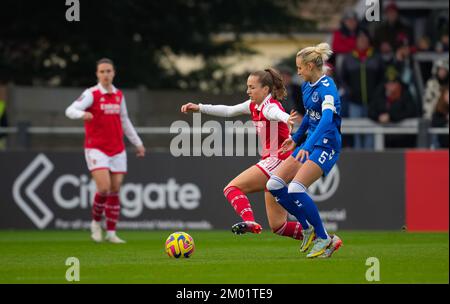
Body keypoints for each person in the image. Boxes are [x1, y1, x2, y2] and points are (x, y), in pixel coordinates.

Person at [181, 68, 309, 241]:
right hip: (278, 162)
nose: (248, 91)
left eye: (252, 87)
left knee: (232, 188)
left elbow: (276, 113)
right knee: (279, 226)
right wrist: (199, 108)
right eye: (247, 87)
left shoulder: (269, 106)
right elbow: (228, 111)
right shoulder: (253, 105)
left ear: (265, 90)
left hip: (278, 161)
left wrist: (287, 119)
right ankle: (323, 237)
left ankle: (249, 221)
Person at [266, 43, 343, 258]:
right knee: (274, 184)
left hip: (327, 146)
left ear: (310, 66)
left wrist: (307, 146)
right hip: (309, 143)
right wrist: (295, 138)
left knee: (296, 189)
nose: (297, 71)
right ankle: (307, 229)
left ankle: (324, 238)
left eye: (300, 67)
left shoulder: (328, 88)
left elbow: (327, 121)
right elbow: (310, 115)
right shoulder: (307, 86)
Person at [65, 58, 146, 243]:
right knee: (103, 188)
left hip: (117, 149)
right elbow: (70, 110)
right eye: (102, 72)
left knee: (115, 189)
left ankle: (111, 232)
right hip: (96, 148)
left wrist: (138, 143)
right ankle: (95, 223)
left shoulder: (118, 95)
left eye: (108, 71)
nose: (105, 75)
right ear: (97, 74)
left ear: (114, 72)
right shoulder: (91, 94)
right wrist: (82, 114)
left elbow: (125, 121)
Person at [340, 29, 384, 150]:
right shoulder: (349, 58)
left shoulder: (376, 57)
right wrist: (350, 92)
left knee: (371, 131)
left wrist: (377, 94)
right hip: (355, 102)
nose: (363, 42)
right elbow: (342, 79)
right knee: (356, 132)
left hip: (372, 103)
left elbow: (382, 79)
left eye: (365, 39)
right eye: (360, 39)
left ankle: (370, 157)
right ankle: (358, 156)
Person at [369, 66, 419, 148]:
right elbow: (371, 111)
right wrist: (378, 117)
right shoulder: (379, 93)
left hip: (404, 138)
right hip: (384, 139)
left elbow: (411, 111)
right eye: (388, 83)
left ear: (398, 83)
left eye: (393, 83)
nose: (391, 86)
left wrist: (391, 117)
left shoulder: (405, 93)